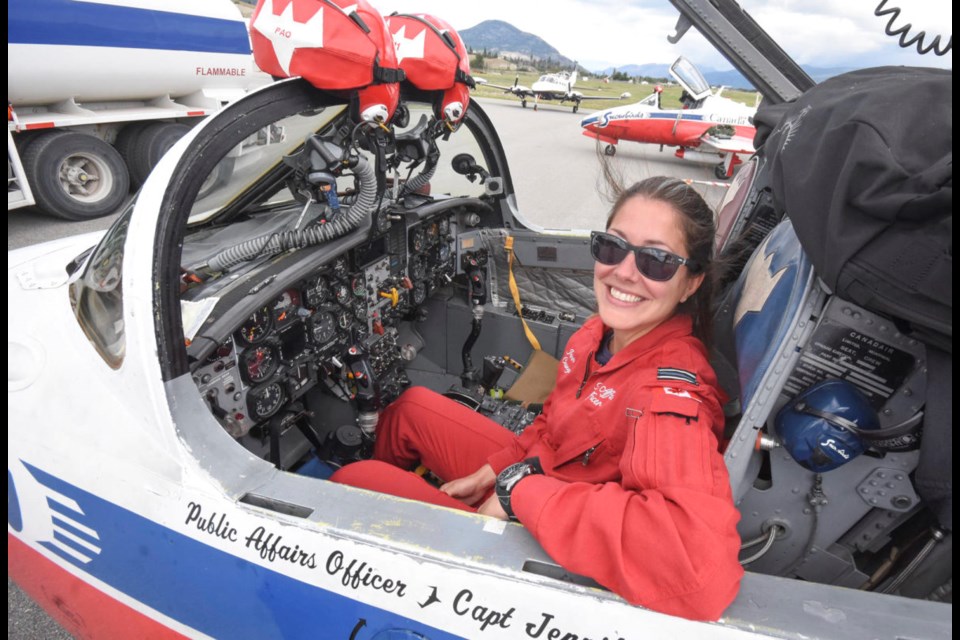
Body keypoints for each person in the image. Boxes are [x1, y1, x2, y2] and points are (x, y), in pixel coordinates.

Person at [331, 176, 744, 620]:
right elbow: (553, 424)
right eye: (612, 246)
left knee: (353, 482)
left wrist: (518, 493)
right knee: (410, 410)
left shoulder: (668, 396)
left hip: (555, 527)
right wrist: (497, 469)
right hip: (548, 476)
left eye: (657, 260)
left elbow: (697, 570)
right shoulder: (600, 334)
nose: (624, 271)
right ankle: (397, 537)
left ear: (690, 284)